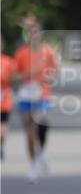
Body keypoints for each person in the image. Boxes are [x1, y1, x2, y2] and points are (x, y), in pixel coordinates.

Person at [13, 16, 59, 182]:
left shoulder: (47, 52)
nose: (34, 35)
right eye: (31, 32)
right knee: (30, 133)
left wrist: (48, 77)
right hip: (26, 94)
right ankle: (33, 165)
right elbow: (14, 76)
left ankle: (42, 152)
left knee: (42, 125)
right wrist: (28, 74)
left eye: (36, 31)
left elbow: (55, 71)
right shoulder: (21, 54)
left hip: (42, 94)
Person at [1, 37, 15, 161]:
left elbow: (14, 78)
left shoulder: (8, 61)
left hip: (3, 101)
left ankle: (1, 145)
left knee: (2, 130)